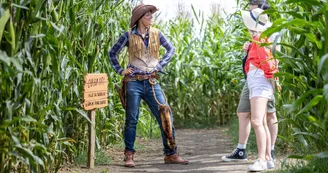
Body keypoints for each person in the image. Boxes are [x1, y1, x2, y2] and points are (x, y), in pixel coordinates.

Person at [108, 3, 188, 167]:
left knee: (166, 115)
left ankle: (171, 154)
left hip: (152, 81)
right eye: (148, 15)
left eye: (151, 15)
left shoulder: (157, 34)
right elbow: (112, 53)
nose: (151, 18)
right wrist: (120, 70)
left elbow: (171, 50)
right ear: (139, 19)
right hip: (133, 83)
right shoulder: (128, 35)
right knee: (131, 120)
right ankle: (129, 155)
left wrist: (160, 65)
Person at [222, 0, 280, 169]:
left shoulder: (267, 35)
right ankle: (266, 158)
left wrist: (272, 79)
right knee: (258, 120)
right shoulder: (257, 39)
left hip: (261, 81)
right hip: (255, 80)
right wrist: (250, 47)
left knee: (259, 120)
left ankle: (263, 158)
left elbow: (270, 62)